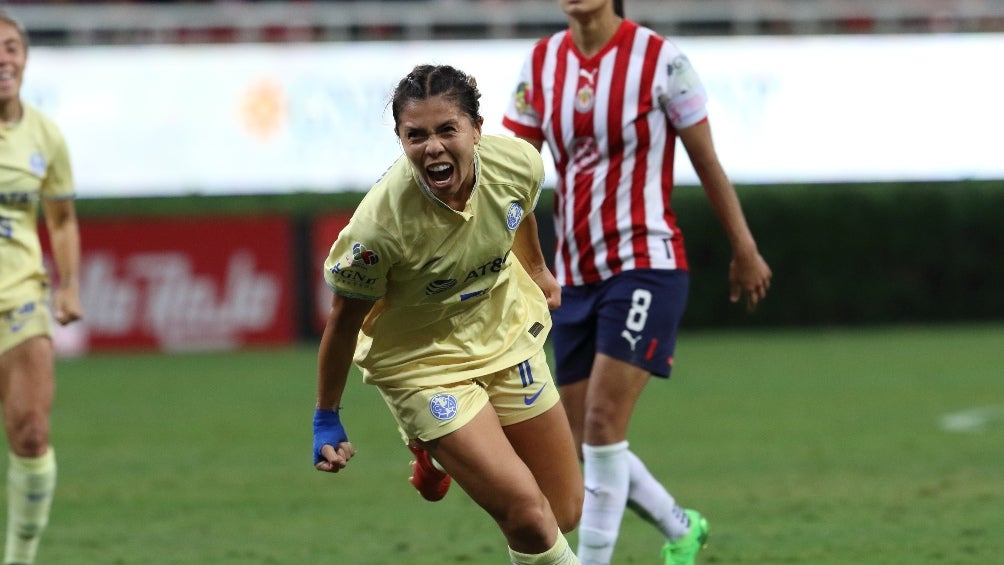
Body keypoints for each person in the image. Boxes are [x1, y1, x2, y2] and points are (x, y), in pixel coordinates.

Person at [501, 1, 773, 564]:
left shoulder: (660, 61)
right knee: (582, 439)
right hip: (573, 277)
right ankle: (681, 527)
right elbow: (513, 173)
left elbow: (705, 159)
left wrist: (743, 246)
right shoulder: (540, 64)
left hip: (646, 261)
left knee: (601, 422)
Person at [312, 64, 584, 565]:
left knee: (562, 511)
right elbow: (343, 322)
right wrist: (326, 416)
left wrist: (538, 268)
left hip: (502, 333)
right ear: (400, 139)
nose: (432, 147)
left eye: (446, 130)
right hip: (422, 365)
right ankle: (438, 441)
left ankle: (438, 456)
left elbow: (516, 212)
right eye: (415, 135)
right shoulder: (377, 229)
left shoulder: (519, 163)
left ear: (476, 130)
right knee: (527, 514)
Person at [0, 10, 83, 565]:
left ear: (25, 58)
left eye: (10, 47)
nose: (3, 58)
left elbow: (61, 219)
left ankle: (19, 558)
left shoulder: (45, 135)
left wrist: (68, 286)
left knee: (30, 432)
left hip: (20, 297)